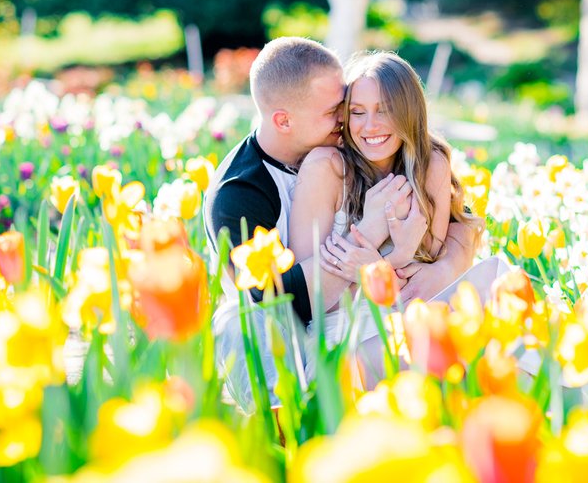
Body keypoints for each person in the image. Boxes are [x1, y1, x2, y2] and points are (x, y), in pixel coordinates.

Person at [205, 37, 476, 408]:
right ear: (284, 120)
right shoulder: (239, 195)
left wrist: (448, 263)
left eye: (345, 105)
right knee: (244, 323)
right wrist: (372, 234)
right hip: (290, 332)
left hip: (370, 309)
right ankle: (288, 417)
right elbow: (283, 302)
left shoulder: (359, 149)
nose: (349, 121)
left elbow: (462, 219)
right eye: (338, 110)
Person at [288, 51, 483, 345]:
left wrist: (383, 266)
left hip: (413, 313)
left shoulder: (430, 166)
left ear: (410, 112)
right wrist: (395, 258)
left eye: (385, 110)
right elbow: (308, 299)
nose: (370, 126)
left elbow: (426, 280)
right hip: (345, 328)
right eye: (357, 112)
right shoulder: (326, 168)